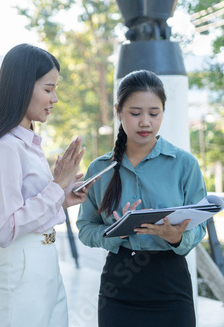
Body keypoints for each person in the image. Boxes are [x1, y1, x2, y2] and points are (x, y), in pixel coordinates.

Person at [0, 43, 93, 327]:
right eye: (48, 89)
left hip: (46, 263)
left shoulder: (29, 144)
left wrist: (62, 197)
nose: (55, 98)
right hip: (23, 270)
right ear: (23, 86)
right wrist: (56, 186)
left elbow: (26, 208)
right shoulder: (6, 148)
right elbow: (5, 229)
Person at [76, 70, 207, 327]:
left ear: (163, 112)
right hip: (119, 287)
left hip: (171, 285)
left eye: (154, 113)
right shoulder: (99, 169)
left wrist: (176, 237)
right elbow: (84, 229)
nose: (145, 122)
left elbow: (200, 226)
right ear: (118, 111)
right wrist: (114, 233)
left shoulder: (185, 164)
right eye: (135, 113)